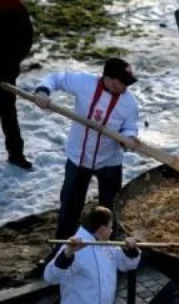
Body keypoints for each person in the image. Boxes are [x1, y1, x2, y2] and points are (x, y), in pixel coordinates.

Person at [34, 57, 140, 245]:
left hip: (110, 162)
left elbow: (130, 127)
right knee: (69, 207)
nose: (125, 87)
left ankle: (108, 250)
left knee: (110, 210)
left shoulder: (130, 103)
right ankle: (62, 247)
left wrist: (128, 138)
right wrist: (42, 91)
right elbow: (55, 78)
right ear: (108, 79)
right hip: (78, 159)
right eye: (122, 82)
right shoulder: (83, 82)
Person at [44, 206, 141, 304]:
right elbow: (50, 278)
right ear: (102, 229)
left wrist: (131, 250)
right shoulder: (72, 247)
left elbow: (128, 264)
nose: (111, 231)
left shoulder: (107, 246)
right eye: (110, 227)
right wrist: (67, 255)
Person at [0, 0, 34, 169]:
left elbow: (25, 41)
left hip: (5, 74)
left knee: (8, 114)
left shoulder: (17, 9)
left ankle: (16, 154)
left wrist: (9, 67)